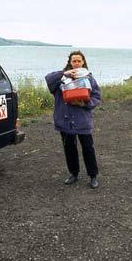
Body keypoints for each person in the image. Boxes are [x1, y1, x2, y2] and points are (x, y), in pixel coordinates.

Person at [45, 51, 102, 188]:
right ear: (70, 62)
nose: (76, 63)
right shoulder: (61, 78)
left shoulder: (89, 78)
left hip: (82, 120)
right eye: (73, 61)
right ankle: (73, 174)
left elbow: (96, 97)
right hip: (65, 120)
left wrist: (85, 104)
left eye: (79, 61)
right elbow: (48, 79)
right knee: (69, 148)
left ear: (83, 62)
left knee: (88, 148)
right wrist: (64, 74)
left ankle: (93, 176)